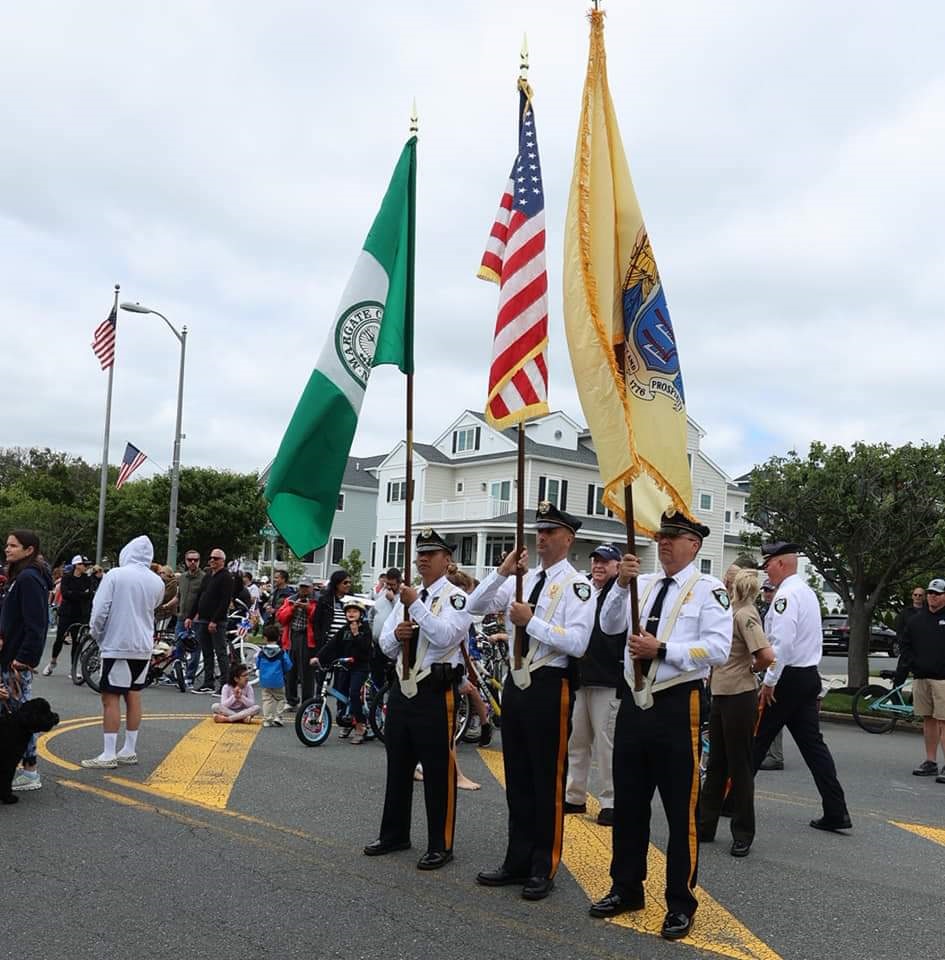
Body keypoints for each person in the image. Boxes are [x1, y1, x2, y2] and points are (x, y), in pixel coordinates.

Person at [589, 510, 731, 941]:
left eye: (675, 536)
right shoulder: (643, 583)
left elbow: (718, 650)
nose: (665, 542)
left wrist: (664, 648)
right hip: (635, 702)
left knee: (678, 810)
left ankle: (680, 902)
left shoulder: (709, 590)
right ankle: (626, 887)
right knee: (629, 804)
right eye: (661, 535)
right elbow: (609, 625)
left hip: (676, 704)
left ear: (695, 544)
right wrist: (620, 585)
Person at [469, 502, 595, 902]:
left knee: (546, 780)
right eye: (539, 531)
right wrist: (502, 572)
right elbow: (474, 607)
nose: (541, 538)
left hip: (548, 683)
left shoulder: (578, 586)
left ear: (568, 538)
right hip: (516, 684)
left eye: (550, 532)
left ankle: (544, 865)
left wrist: (530, 622)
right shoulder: (523, 579)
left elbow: (577, 643)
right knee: (518, 778)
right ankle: (516, 860)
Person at [364, 529, 471, 871]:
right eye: (420, 553)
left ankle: (441, 843)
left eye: (431, 553)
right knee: (398, 765)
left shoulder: (456, 598)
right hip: (402, 688)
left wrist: (417, 608)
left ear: (447, 559)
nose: (423, 559)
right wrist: (398, 635)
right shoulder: (412, 596)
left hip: (435, 692)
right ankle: (394, 833)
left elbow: (446, 636)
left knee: (438, 770)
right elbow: (384, 642)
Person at [751, 542, 851, 832]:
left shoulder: (786, 596)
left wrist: (770, 681)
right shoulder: (806, 592)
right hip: (807, 676)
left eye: (768, 563)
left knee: (757, 738)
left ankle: (733, 801)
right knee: (813, 748)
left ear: (781, 563)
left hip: (787, 679)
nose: (766, 570)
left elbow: (781, 643)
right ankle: (836, 810)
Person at [699, 569, 774, 856]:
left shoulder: (745, 615)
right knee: (717, 762)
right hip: (721, 693)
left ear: (734, 586)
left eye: (727, 581)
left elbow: (766, 656)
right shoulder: (730, 611)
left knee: (739, 765)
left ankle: (743, 832)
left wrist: (749, 670)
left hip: (738, 696)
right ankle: (705, 824)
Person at [80, 536, 165, 769]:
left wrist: (96, 634)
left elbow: (99, 610)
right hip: (143, 645)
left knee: (110, 698)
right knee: (134, 695)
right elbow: (154, 607)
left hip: (117, 643)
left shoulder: (115, 575)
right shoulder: (157, 581)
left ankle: (108, 753)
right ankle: (129, 749)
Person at [565, 542, 625, 826]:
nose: (599, 566)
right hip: (581, 676)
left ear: (617, 566)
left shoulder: (620, 593)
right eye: (595, 561)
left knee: (606, 744)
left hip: (608, 678)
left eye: (605, 562)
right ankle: (574, 795)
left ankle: (611, 801)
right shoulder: (584, 590)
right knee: (577, 741)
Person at [0, 529, 53, 792]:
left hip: (15, 661)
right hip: (8, 653)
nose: (7, 549)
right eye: (7, 545)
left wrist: (24, 659)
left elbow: (37, 624)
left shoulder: (29, 578)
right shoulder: (18, 577)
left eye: (13, 546)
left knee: (21, 717)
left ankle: (30, 770)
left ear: (29, 549)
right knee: (9, 717)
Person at [893, 578, 945, 779]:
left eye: (937, 593)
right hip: (921, 677)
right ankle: (930, 761)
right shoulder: (916, 620)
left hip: (942, 680)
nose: (932, 596)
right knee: (928, 720)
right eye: (931, 593)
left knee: (943, 721)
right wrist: (913, 665)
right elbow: (905, 645)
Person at [315, 599, 372, 743]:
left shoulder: (365, 629)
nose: (351, 614)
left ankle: (360, 726)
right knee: (340, 693)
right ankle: (347, 722)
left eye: (354, 611)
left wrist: (356, 634)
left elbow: (365, 648)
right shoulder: (344, 630)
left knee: (354, 693)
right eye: (348, 611)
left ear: (361, 614)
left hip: (360, 667)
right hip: (345, 666)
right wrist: (318, 657)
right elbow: (331, 645)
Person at [184, 548, 234, 694]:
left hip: (216, 621)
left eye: (216, 558)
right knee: (206, 653)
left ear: (223, 561)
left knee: (220, 652)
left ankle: (225, 684)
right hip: (203, 620)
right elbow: (199, 597)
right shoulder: (208, 576)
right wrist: (190, 616)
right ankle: (208, 682)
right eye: (211, 557)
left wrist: (215, 620)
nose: (212, 560)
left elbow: (224, 601)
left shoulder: (226, 577)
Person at [45, 554, 93, 677]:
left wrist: (77, 594)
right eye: (84, 564)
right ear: (76, 565)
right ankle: (53, 661)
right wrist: (81, 594)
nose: (86, 567)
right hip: (66, 613)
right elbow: (66, 594)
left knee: (77, 641)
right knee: (59, 639)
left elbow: (90, 594)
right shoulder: (66, 578)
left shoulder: (87, 579)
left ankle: (73, 668)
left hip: (80, 614)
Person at [313, 570, 353, 718]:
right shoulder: (325, 600)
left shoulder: (351, 599)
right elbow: (317, 622)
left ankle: (342, 713)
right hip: (327, 646)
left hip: (345, 647)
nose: (348, 585)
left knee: (342, 683)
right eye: (345, 582)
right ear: (336, 584)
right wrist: (320, 642)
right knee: (322, 681)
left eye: (349, 582)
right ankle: (317, 710)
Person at [756, 578, 785, 771]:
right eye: (765, 590)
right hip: (766, 664)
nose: (767, 593)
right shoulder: (763, 610)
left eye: (770, 590)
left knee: (772, 710)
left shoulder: (780, 609)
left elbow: (779, 643)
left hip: (776, 666)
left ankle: (774, 755)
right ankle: (766, 751)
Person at [276, 576, 318, 708]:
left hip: (308, 637)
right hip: (292, 636)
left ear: (311, 587)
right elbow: (281, 618)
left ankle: (306, 701)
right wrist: (292, 608)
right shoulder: (291, 600)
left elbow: (319, 618)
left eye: (306, 587)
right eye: (301, 587)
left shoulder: (317, 600)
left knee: (306, 671)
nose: (303, 590)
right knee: (290, 670)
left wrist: (308, 608)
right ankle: (291, 700)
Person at [257, 623, 294, 727]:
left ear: (265, 638)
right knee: (281, 698)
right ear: (278, 637)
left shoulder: (262, 652)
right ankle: (278, 717)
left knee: (267, 699)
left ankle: (267, 719)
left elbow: (257, 664)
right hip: (278, 679)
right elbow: (288, 664)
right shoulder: (281, 652)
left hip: (265, 680)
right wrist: (285, 671)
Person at [176, 549, 204, 687]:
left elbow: (204, 600)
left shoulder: (204, 578)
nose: (193, 562)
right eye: (190, 560)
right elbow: (178, 597)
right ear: (185, 561)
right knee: (179, 645)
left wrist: (196, 616)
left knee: (194, 648)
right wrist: (164, 606)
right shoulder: (182, 577)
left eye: (196, 560)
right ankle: (178, 674)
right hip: (181, 617)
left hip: (196, 619)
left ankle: (190, 677)